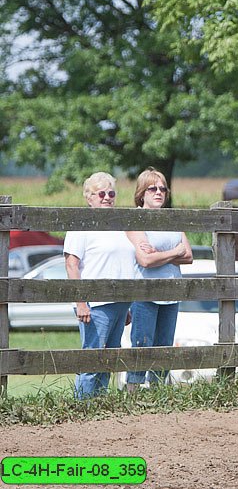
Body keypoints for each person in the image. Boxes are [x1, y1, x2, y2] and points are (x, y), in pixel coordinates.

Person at [64, 172, 136, 399]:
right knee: (92, 358)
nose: (107, 197)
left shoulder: (118, 226)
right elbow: (71, 265)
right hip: (95, 303)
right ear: (89, 197)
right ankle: (82, 403)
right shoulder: (81, 226)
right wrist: (80, 301)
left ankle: (99, 401)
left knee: (109, 359)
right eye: (101, 193)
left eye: (111, 193)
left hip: (119, 302)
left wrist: (127, 305)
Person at [125, 167, 193, 390]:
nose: (158, 192)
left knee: (164, 346)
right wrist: (174, 252)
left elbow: (189, 255)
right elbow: (145, 260)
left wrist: (160, 255)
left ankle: (157, 391)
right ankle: (133, 390)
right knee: (142, 344)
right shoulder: (136, 218)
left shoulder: (171, 219)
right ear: (142, 193)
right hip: (144, 294)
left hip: (171, 293)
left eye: (162, 188)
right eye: (152, 188)